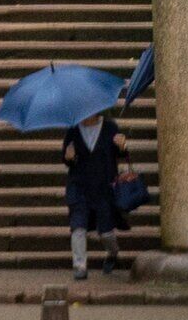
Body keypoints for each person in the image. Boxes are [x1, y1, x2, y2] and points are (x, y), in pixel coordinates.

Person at [62, 108, 130, 278]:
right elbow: (67, 158)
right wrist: (69, 157)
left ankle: (112, 254)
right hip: (79, 186)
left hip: (103, 186)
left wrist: (122, 146)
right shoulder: (73, 130)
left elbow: (120, 153)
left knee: (106, 232)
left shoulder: (109, 127)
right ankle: (80, 266)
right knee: (78, 227)